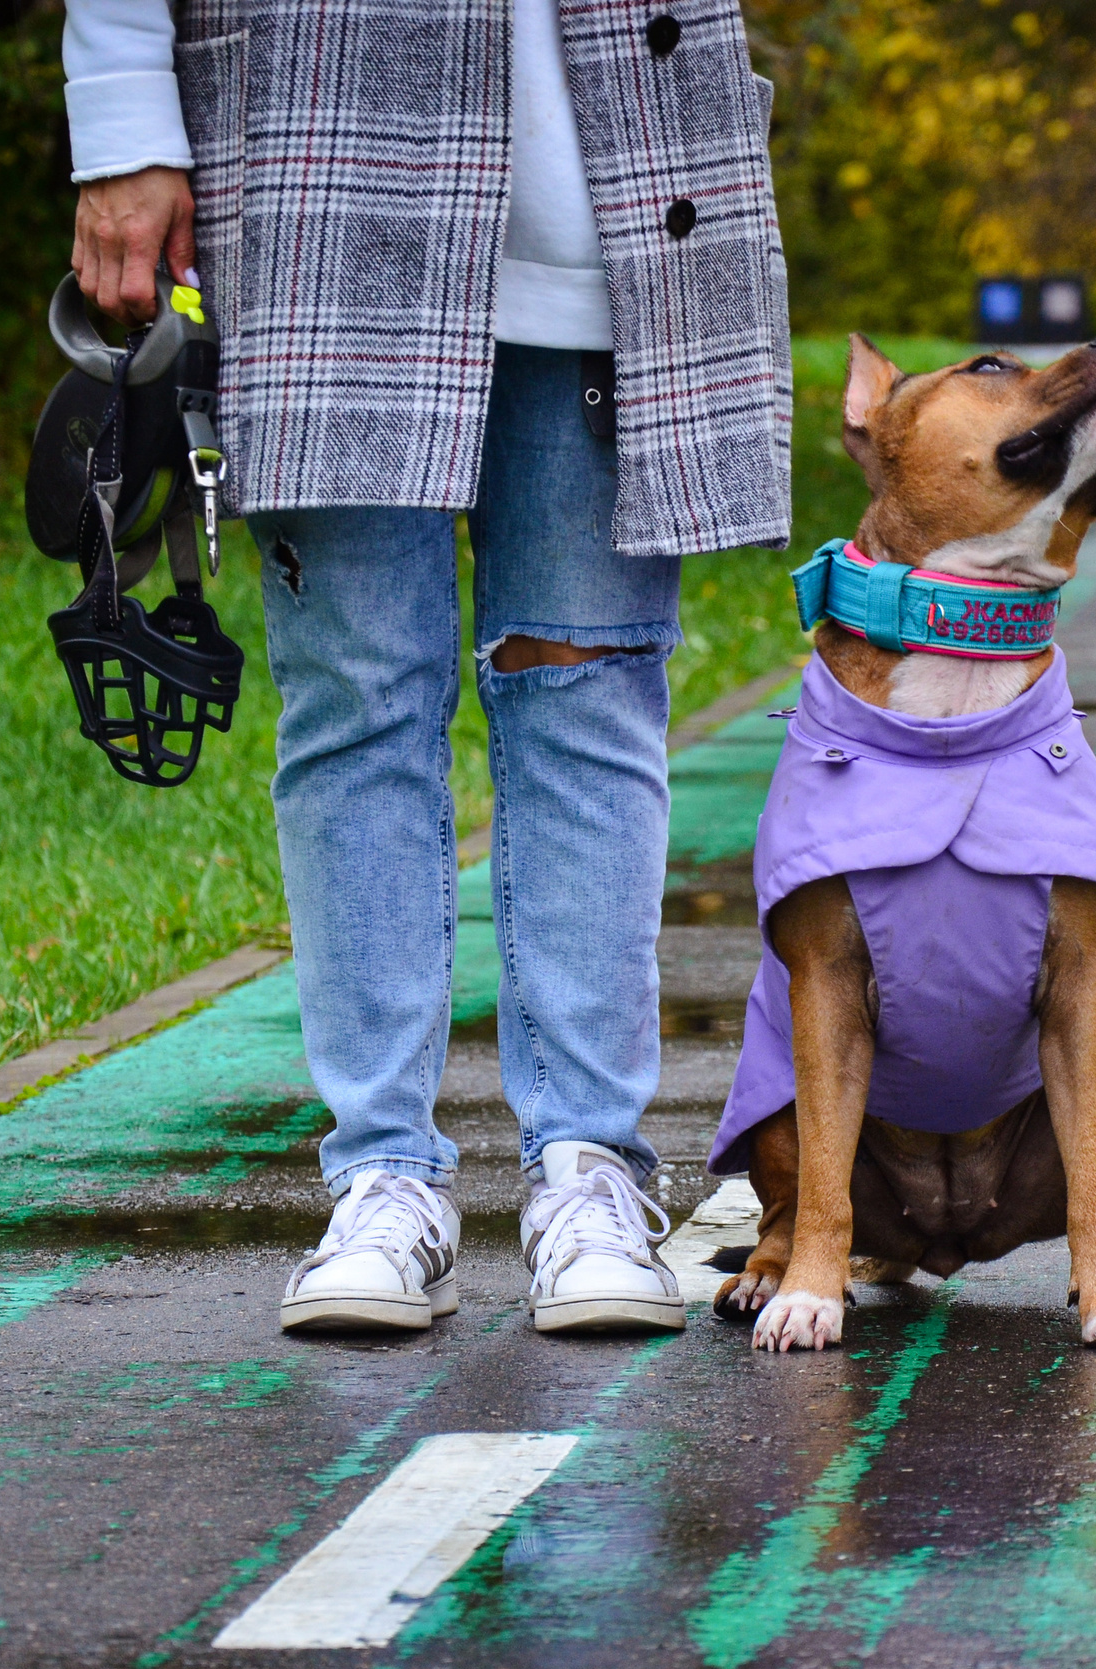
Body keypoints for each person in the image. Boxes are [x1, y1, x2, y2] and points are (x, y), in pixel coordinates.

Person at [62, 0, 792, 1335]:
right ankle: (383, 1178)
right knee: (358, 698)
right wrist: (118, 114)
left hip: (622, 192)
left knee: (589, 692)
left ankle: (590, 1169)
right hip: (321, 172)